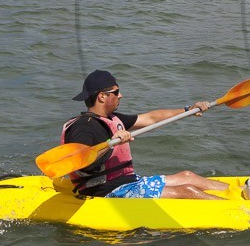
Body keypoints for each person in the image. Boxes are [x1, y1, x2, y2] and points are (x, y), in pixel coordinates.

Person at [60, 70, 228, 199]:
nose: (121, 95)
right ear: (102, 96)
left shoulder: (113, 118)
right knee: (187, 191)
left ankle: (240, 191)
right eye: (116, 92)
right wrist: (112, 142)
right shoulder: (83, 127)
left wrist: (188, 110)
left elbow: (151, 118)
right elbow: (78, 161)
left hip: (129, 182)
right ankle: (237, 209)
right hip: (106, 192)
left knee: (188, 177)